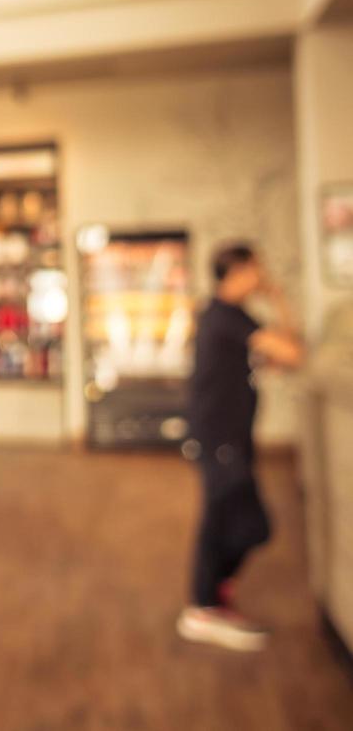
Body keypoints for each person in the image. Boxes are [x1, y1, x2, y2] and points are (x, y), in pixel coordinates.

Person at [176, 243, 303, 652]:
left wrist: (277, 304)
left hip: (229, 437)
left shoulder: (232, 316)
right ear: (241, 271)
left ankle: (212, 599)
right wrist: (279, 298)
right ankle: (202, 607)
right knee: (235, 524)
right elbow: (293, 352)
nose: (261, 277)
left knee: (240, 524)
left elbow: (281, 357)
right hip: (220, 439)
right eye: (257, 269)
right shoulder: (225, 316)